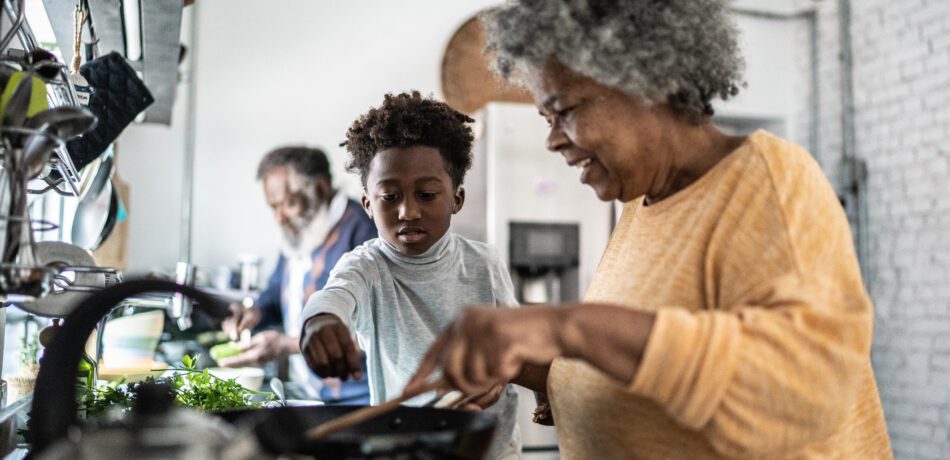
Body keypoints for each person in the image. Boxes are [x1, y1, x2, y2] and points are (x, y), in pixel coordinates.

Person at [406, 1, 893, 458]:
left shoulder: (768, 180)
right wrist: (523, 361)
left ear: (649, 81)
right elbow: (647, 361)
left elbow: (805, 389)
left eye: (565, 111)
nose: (553, 140)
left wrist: (559, 326)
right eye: (545, 118)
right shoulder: (641, 204)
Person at [298, 91, 521, 459]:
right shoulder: (366, 267)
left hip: (492, 449)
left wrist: (501, 373)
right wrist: (319, 322)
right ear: (368, 204)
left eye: (427, 195)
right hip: (411, 449)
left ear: (456, 199)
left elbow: (518, 343)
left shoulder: (484, 262)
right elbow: (332, 296)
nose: (408, 212)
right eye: (389, 197)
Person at [219, 146, 376, 403]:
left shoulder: (363, 232)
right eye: (274, 207)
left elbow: (374, 330)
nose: (280, 218)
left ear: (322, 189)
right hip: (311, 391)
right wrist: (253, 312)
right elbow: (275, 289)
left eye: (288, 204)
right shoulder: (300, 231)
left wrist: (286, 345)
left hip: (357, 399)